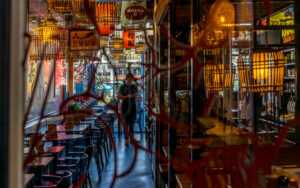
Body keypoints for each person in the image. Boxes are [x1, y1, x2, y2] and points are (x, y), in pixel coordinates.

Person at [118, 73, 137, 145]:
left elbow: (135, 95)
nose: (130, 79)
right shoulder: (122, 87)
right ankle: (126, 140)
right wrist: (126, 97)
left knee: (132, 124)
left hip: (132, 107)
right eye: (129, 78)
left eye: (131, 78)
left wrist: (132, 96)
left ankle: (131, 139)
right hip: (125, 107)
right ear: (126, 78)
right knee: (126, 124)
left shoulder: (134, 86)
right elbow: (118, 96)